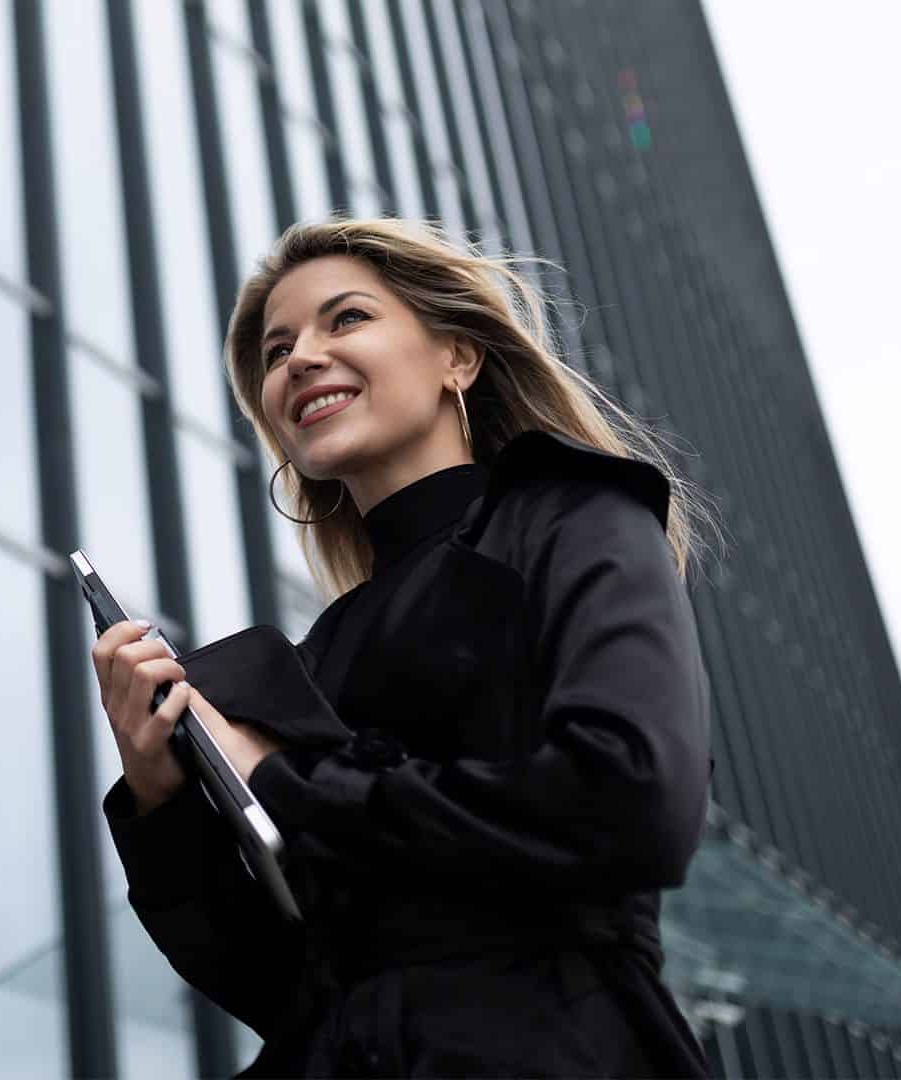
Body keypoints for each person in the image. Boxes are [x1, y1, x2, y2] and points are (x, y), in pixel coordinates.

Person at [91, 218, 719, 1078]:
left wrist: (280, 779)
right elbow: (287, 984)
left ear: (457, 358)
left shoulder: (574, 519)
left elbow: (632, 799)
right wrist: (162, 800)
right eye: (277, 351)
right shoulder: (313, 658)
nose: (299, 359)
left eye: (345, 319)